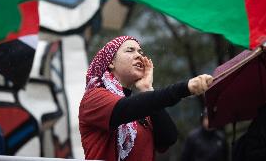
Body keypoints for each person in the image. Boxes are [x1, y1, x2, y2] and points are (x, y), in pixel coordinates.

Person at [79, 36, 213, 161]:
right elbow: (127, 108)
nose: (139, 55)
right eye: (130, 50)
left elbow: (168, 138)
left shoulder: (142, 106)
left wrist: (147, 88)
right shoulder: (93, 98)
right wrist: (184, 88)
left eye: (140, 52)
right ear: (111, 62)